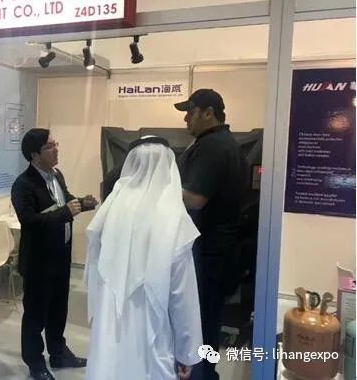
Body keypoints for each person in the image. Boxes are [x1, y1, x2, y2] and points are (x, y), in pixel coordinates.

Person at [84, 135, 203, 380]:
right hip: (150, 336)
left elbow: (94, 272)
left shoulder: (111, 206)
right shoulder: (173, 216)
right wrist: (187, 353)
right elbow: (182, 295)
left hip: (108, 327)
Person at [173, 89, 249, 380]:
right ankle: (207, 372)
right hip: (218, 250)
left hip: (207, 253)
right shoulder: (225, 144)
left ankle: (200, 374)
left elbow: (195, 199)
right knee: (209, 319)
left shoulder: (212, 147)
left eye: (190, 112)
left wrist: (160, 189)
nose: (186, 119)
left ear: (208, 113)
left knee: (200, 319)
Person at [11, 128, 98, 380]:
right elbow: (29, 221)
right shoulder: (23, 184)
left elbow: (65, 201)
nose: (56, 149)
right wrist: (65, 212)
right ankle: (35, 363)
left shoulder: (56, 175)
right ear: (34, 155)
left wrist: (83, 203)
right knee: (35, 316)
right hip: (38, 262)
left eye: (55, 143)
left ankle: (59, 354)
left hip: (61, 256)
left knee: (58, 311)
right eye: (49, 146)